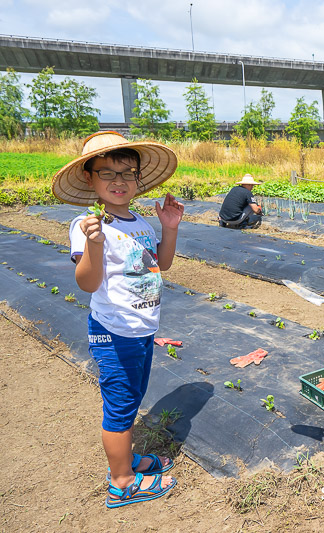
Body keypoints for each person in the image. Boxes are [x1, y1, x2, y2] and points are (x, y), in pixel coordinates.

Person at [52, 131, 184, 508]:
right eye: (107, 173)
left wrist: (169, 228)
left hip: (141, 329)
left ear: (138, 179)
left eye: (127, 172)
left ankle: (128, 460)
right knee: (120, 405)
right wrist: (95, 244)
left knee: (133, 397)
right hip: (114, 332)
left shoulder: (138, 221)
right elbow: (87, 283)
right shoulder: (88, 224)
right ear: (89, 178)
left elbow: (162, 264)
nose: (119, 180)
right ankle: (122, 482)